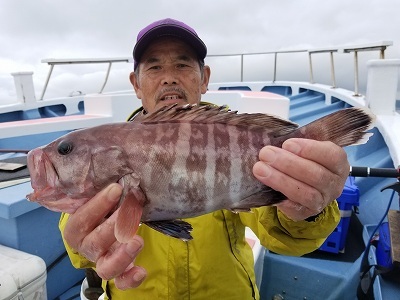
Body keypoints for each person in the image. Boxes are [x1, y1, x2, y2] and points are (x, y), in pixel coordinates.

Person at [59, 18, 348, 300]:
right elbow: (79, 244)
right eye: (154, 66)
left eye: (183, 65)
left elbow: (283, 236)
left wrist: (306, 208)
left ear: (204, 78)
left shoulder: (236, 139)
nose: (169, 77)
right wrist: (83, 244)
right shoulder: (100, 155)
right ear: (136, 84)